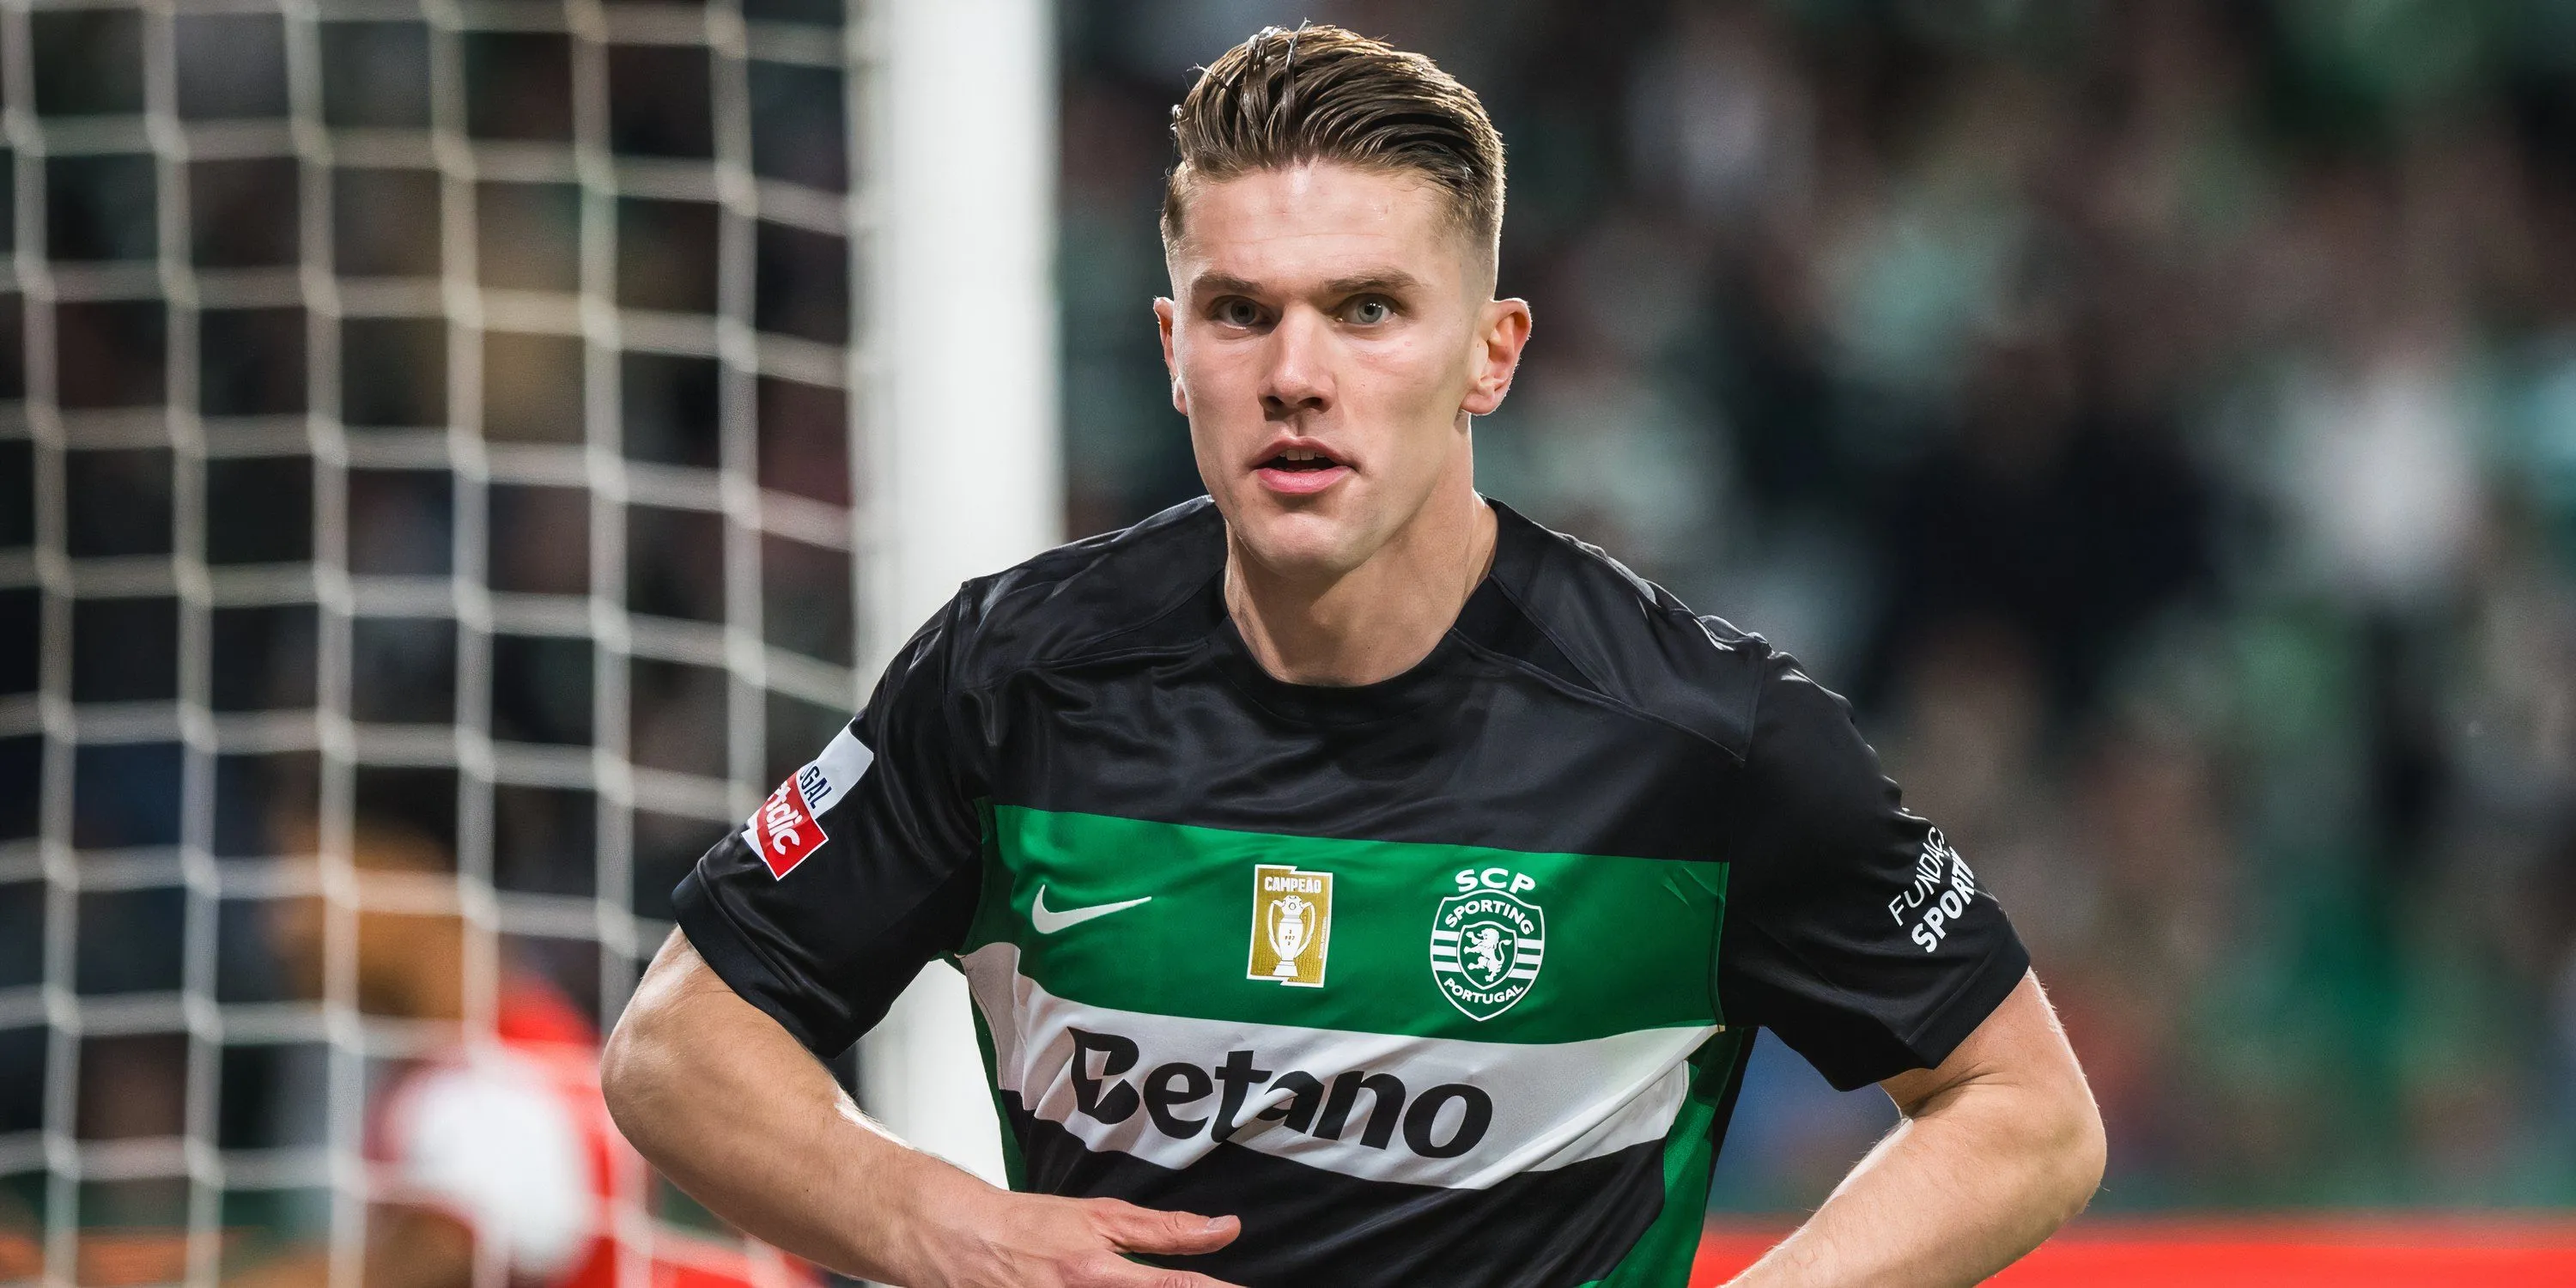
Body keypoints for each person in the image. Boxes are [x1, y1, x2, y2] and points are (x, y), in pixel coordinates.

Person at [603, 24, 2105, 1288]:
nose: (1296, 376)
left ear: (1491, 353)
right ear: (1174, 349)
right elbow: (677, 1048)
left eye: (1367, 310)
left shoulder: (1699, 737)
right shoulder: (1012, 681)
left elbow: (2026, 1113)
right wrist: (952, 1230)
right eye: (1240, 314)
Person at [228, 821, 811, 1288]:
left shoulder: (506, 1079)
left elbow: (443, 1254)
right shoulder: (473, 1056)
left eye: (304, 889)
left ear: (408, 871)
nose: (282, 930)